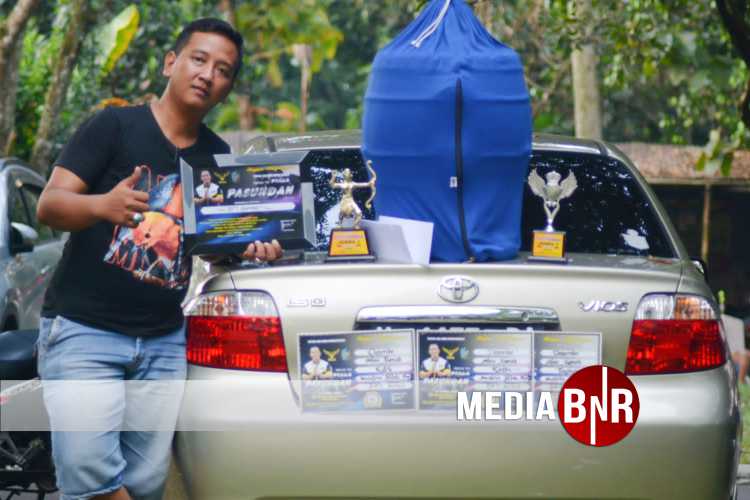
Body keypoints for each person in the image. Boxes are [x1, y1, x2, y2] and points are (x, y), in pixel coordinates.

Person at [36, 18, 281, 500]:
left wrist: (250, 247)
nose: (208, 74)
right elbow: (49, 206)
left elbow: (206, 243)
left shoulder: (215, 156)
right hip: (85, 331)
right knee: (89, 473)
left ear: (228, 88)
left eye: (223, 70)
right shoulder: (114, 126)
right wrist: (101, 206)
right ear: (171, 63)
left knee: (145, 483)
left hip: (163, 342)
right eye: (199, 59)